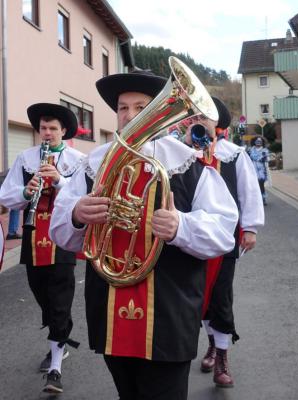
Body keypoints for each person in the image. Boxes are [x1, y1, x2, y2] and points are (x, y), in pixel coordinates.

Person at [49, 70, 239, 400]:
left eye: (140, 107)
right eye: (123, 108)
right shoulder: (95, 162)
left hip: (170, 312)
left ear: (157, 113)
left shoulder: (188, 163)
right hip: (110, 311)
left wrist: (181, 227)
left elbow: (224, 231)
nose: (129, 115)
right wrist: (77, 214)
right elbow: (59, 231)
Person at [0, 103, 85, 394]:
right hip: (33, 236)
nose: (47, 133)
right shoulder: (26, 158)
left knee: (60, 298)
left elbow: (85, 193)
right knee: (43, 296)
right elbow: (6, 195)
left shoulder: (77, 160)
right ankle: (59, 336)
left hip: (63, 235)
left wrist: (59, 180)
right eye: (43, 128)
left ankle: (55, 368)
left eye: (53, 128)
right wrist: (26, 191)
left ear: (64, 131)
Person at [183, 97, 264, 387]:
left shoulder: (234, 154)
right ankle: (212, 344)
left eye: (205, 116)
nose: (199, 121)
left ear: (217, 122)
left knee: (221, 297)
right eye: (194, 116)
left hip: (224, 238)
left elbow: (249, 191)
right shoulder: (179, 152)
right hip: (187, 236)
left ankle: (222, 357)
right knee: (197, 296)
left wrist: (251, 228)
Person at [248, 137, 269, 205]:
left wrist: (263, 158)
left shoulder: (264, 150)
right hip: (253, 169)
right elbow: (248, 159)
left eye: (260, 141)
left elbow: (266, 159)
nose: (258, 142)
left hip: (261, 170)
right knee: (254, 185)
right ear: (254, 142)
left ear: (262, 142)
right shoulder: (250, 150)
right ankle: (256, 199)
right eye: (257, 141)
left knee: (261, 184)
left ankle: (263, 198)